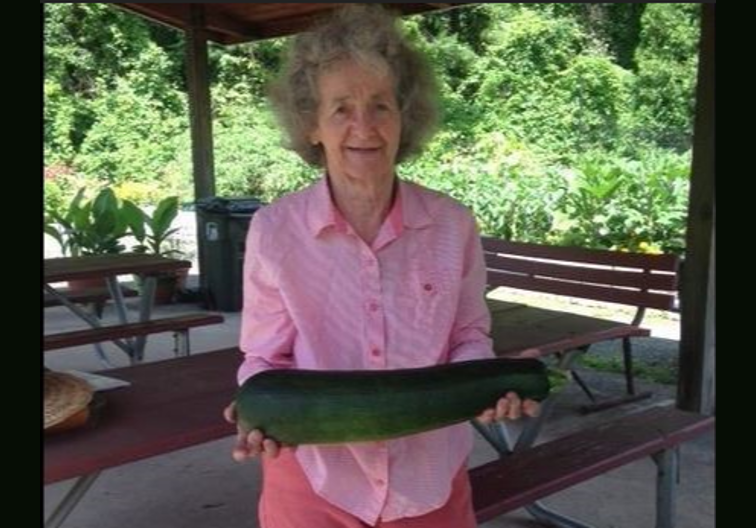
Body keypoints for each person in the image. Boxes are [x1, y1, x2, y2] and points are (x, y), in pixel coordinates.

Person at [223, 5, 539, 527]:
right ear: (312, 126)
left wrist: (487, 387)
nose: (363, 126)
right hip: (313, 483)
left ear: (405, 118)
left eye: (381, 106)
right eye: (341, 108)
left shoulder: (451, 224)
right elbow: (264, 354)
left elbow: (468, 335)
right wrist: (256, 408)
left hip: (429, 482)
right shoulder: (275, 230)